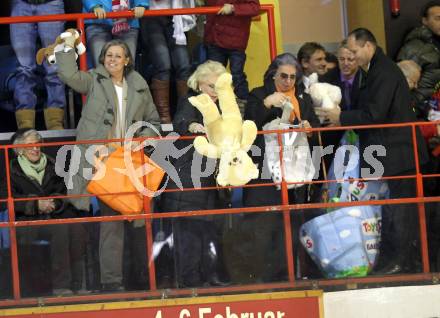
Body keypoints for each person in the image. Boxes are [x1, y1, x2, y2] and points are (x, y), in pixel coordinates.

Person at [316, 28, 430, 275]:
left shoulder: (384, 72)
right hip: (388, 151)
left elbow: (374, 114)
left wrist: (341, 117)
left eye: (355, 52)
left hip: (399, 152)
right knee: (394, 208)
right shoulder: (375, 70)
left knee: (401, 210)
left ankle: (403, 262)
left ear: (369, 46)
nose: (352, 57)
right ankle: (399, 260)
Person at [56, 38, 161, 291]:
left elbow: (153, 122)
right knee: (112, 221)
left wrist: (143, 140)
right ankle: (112, 283)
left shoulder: (138, 83)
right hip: (101, 160)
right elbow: (68, 74)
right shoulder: (93, 79)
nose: (112, 59)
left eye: (118, 56)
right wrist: (66, 46)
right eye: (108, 55)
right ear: (103, 59)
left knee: (139, 221)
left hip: (130, 162)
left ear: (127, 61)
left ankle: (143, 279)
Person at [242, 53, 320, 282]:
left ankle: (289, 277)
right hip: (264, 174)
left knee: (291, 229)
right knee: (263, 230)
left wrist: (308, 126)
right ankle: (262, 281)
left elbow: (313, 124)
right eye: (283, 76)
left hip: (295, 173)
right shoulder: (258, 94)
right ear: (273, 74)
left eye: (293, 77)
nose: (288, 81)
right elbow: (249, 124)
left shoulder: (303, 99)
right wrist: (267, 104)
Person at [159, 60, 229, 287]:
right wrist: (192, 127)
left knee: (208, 233)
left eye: (218, 87)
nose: (215, 92)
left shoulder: (225, 106)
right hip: (187, 182)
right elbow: (181, 121)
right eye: (211, 86)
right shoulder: (191, 100)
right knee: (188, 237)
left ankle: (209, 276)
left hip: (209, 181)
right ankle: (191, 282)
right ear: (199, 84)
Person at [0, 129, 88, 296]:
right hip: (27, 222)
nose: (36, 149)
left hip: (53, 215)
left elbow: (63, 191)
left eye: (38, 145)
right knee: (59, 229)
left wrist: (53, 203)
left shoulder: (52, 165)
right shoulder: (11, 170)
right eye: (30, 145)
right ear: (19, 149)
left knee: (77, 228)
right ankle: (61, 286)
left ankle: (78, 284)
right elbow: (6, 198)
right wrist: (35, 204)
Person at [10, 0, 66, 130]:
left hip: (51, 3)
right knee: (23, 67)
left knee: (54, 65)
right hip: (20, 4)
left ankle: (55, 122)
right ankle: (25, 125)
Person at [140, 0, 195, 124]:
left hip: (177, 16)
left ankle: (184, 115)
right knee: (163, 65)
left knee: (184, 65)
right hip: (152, 15)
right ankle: (164, 119)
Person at [204, 0, 260, 107]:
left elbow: (254, 7)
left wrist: (233, 8)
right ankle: (214, 106)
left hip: (236, 41)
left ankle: (245, 106)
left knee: (237, 75)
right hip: (215, 37)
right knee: (213, 75)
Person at [319, 40, 365, 171]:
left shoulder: (366, 78)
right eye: (341, 59)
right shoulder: (325, 79)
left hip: (361, 132)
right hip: (334, 136)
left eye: (350, 59)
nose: (345, 63)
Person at [397, 0, 440, 114]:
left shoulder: (437, 45)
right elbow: (403, 85)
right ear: (424, 21)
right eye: (438, 18)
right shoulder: (416, 47)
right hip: (421, 112)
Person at [82, 0, 148, 67]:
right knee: (100, 64)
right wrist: (94, 6)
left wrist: (141, 4)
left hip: (128, 21)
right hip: (97, 22)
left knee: (127, 65)